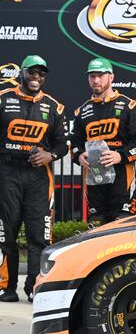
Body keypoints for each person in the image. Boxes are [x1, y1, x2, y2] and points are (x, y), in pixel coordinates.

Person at [0, 55, 68, 302]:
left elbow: (64, 144)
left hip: (39, 177)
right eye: (32, 73)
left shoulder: (54, 107)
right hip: (7, 173)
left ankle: (34, 287)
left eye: (41, 74)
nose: (36, 78)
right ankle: (6, 287)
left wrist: (50, 155)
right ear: (22, 73)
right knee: (5, 233)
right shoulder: (3, 98)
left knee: (39, 235)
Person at [71, 58, 136, 226]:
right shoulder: (82, 111)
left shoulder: (129, 106)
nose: (96, 80)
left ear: (111, 77)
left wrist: (120, 156)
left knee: (123, 228)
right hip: (94, 180)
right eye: (92, 76)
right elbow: (74, 144)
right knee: (96, 229)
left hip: (122, 180)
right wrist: (79, 156)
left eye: (100, 75)